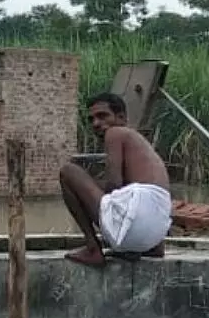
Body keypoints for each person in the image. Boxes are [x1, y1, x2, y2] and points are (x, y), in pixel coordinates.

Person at [59, 93, 172, 267]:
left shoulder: (115, 133)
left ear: (121, 118)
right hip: (154, 236)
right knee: (123, 193)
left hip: (135, 224)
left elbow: (114, 185)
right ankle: (148, 247)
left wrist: (85, 196)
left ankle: (92, 248)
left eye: (102, 116)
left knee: (68, 172)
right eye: (91, 119)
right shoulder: (140, 144)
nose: (96, 123)